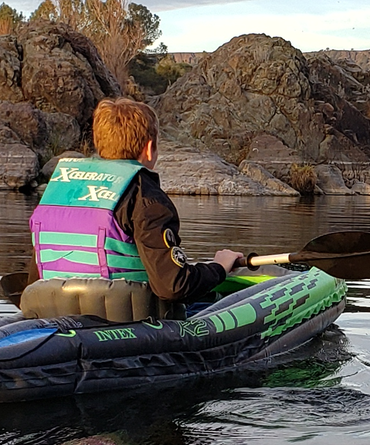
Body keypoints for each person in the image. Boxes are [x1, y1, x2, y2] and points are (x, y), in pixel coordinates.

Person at [26, 98, 244, 313]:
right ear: (149, 148)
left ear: (100, 145)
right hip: (126, 317)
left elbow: (35, 279)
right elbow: (173, 286)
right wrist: (219, 267)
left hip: (53, 312)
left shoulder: (59, 192)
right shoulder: (146, 197)